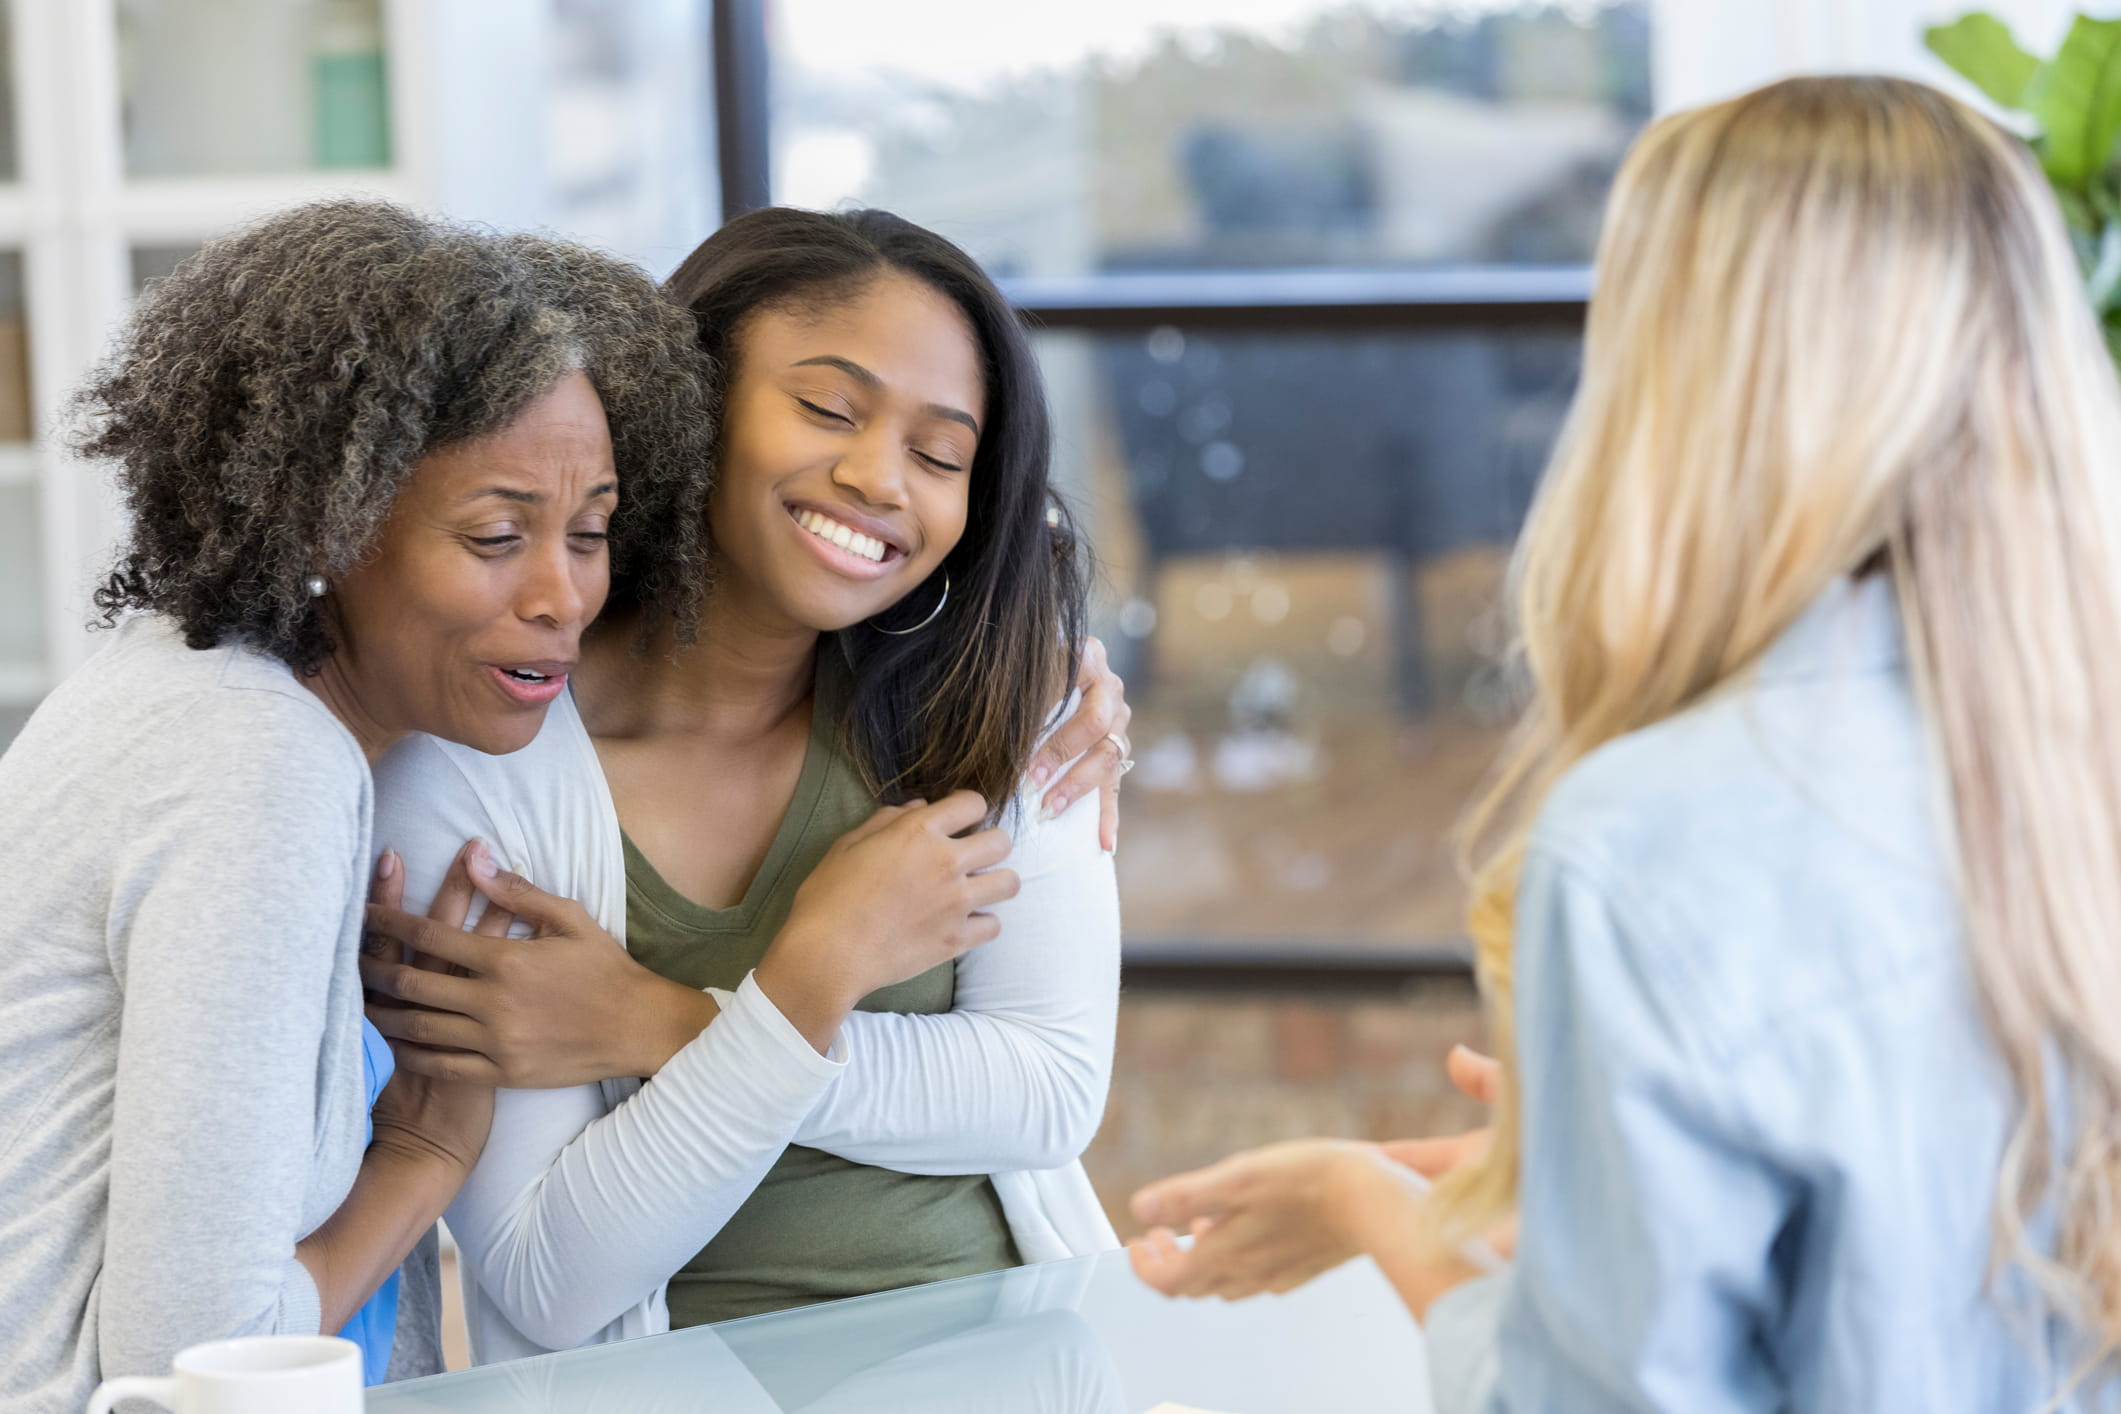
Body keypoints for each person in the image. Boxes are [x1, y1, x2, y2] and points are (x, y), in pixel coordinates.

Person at [1130, 74, 2121, 1411]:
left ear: (1685, 381)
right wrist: (1567, 1171)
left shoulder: (1657, 842)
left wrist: (1369, 1201)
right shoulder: (2073, 766)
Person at [356, 207, 1125, 1361]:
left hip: (1014, 1362)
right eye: (827, 408)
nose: (877, 478)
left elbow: (1046, 1091)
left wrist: (657, 1018)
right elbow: (544, 1276)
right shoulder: (480, 766)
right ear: (691, 397)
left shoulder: (1010, 704)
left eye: (939, 454)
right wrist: (810, 975)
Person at [0, 200, 722, 1411]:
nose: (565, 595)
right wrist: (424, 1155)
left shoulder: (190, 677)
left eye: (591, 532)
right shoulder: (260, 756)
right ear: (327, 519)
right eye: (497, 534)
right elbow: (192, 1362)